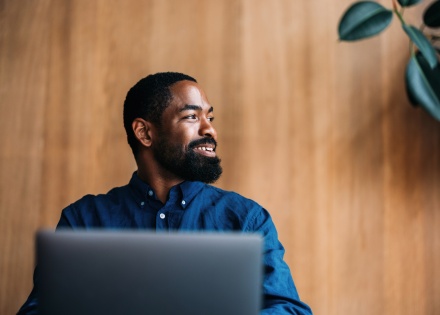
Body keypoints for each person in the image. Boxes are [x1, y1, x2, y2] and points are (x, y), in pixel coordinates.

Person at [18, 72, 312, 314]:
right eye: (191, 117)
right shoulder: (83, 220)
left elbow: (289, 310)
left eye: (210, 117)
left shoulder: (246, 219)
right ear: (144, 133)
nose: (210, 130)